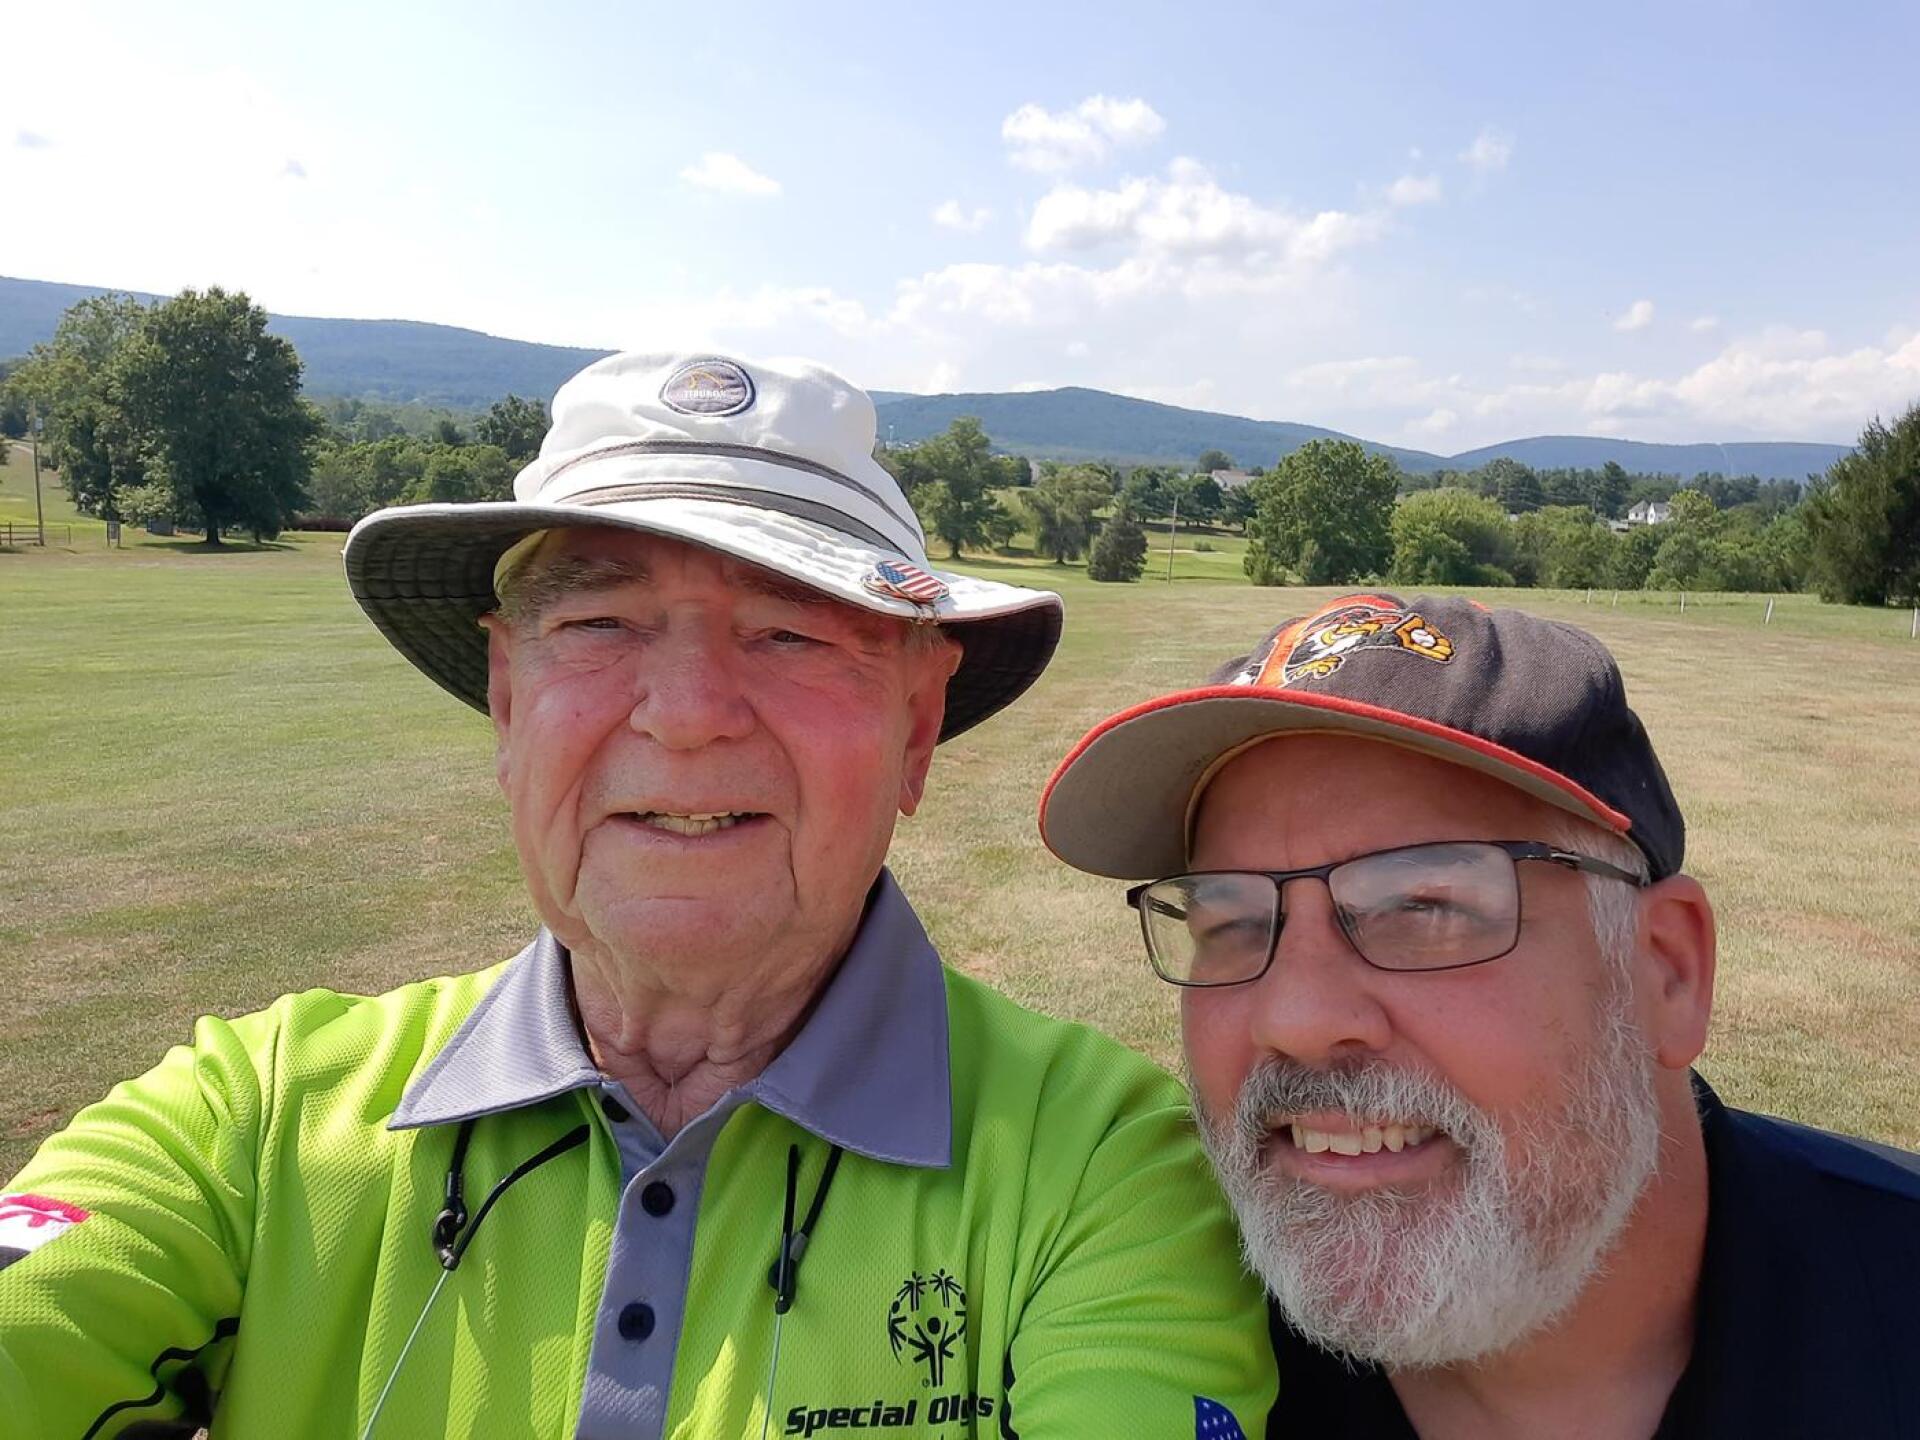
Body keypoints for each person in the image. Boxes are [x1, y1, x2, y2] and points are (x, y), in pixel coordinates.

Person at [0, 352, 1274, 1438]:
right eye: (601, 625)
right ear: (508, 701)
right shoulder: (256, 1117)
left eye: (793, 634)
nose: (685, 717)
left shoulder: (1108, 1166)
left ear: (917, 724)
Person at [1039, 591, 1920, 1439]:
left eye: (1423, 907)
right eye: (1228, 922)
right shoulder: (1158, 1324)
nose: (1297, 1019)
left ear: (1668, 973)